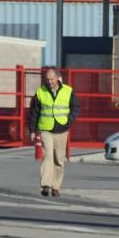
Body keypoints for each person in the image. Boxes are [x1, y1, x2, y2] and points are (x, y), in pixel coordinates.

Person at [28, 67, 78, 197]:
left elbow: (75, 108)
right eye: (47, 79)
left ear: (57, 78)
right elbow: (34, 112)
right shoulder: (40, 92)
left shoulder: (68, 91)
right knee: (48, 155)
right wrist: (32, 130)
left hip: (62, 129)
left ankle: (56, 186)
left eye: (52, 79)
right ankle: (45, 185)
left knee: (59, 159)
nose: (49, 81)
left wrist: (69, 121)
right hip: (46, 129)